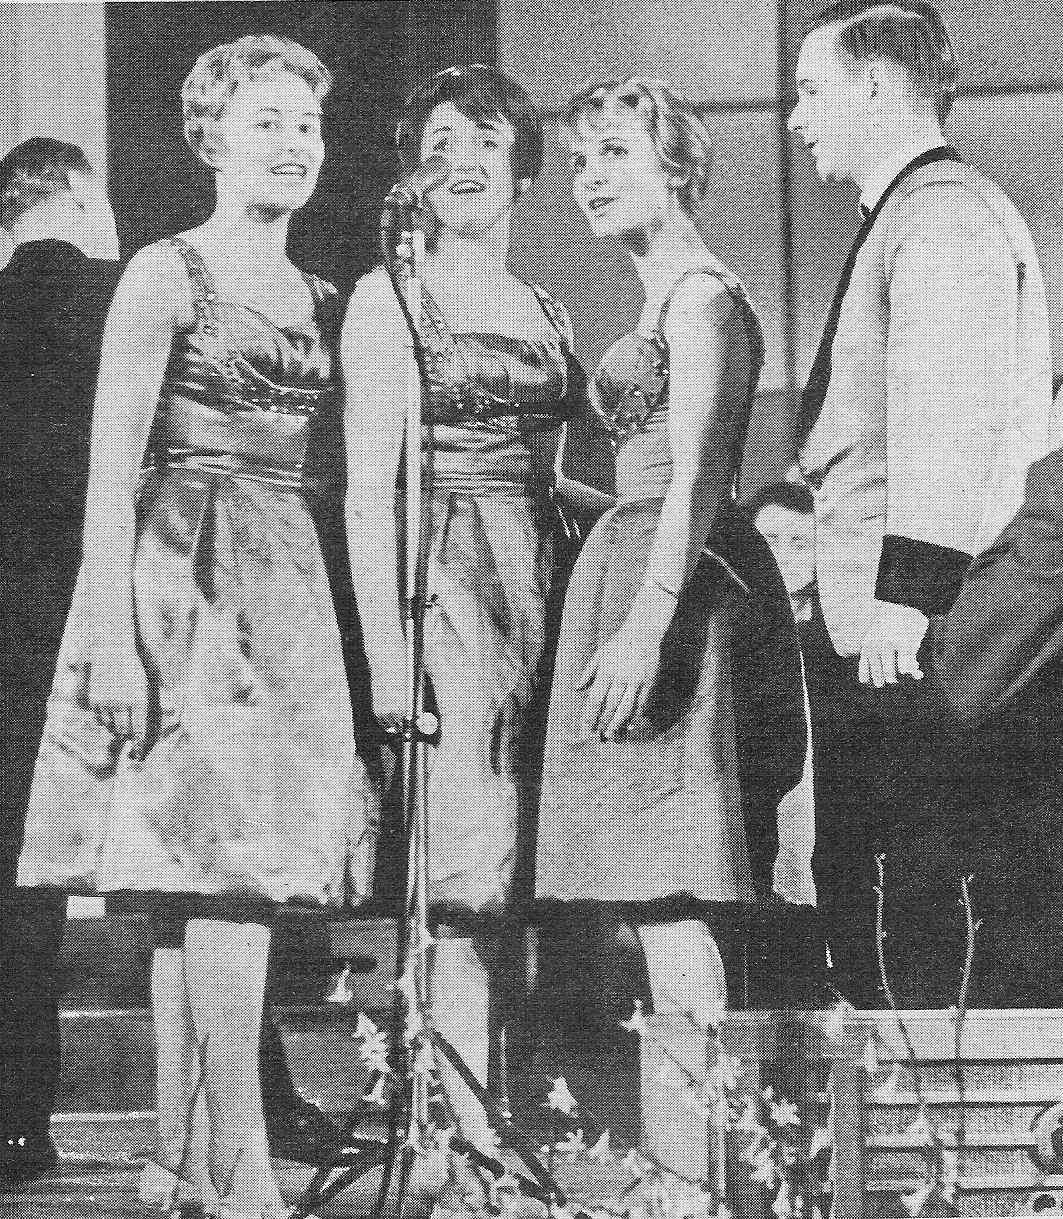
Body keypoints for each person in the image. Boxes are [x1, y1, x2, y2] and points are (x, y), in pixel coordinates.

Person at [15, 36, 376, 1218]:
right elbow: (107, 471)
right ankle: (241, 1168)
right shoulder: (162, 273)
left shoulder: (328, 298)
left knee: (204, 885)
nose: (295, 144)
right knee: (225, 880)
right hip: (183, 584)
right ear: (210, 138)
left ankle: (179, 1156)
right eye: (267, 121)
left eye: (308, 125)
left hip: (290, 589)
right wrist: (110, 640)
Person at [342, 65, 586, 1194]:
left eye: (487, 139)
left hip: (542, 589)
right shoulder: (386, 297)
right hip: (441, 588)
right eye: (441, 140)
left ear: (523, 167)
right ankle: (456, 1148)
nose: (466, 159)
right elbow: (366, 492)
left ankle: (493, 1127)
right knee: (462, 877)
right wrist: (391, 662)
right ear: (413, 169)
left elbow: (555, 477)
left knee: (528, 878)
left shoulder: (546, 307)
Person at [788, 0, 1059, 1007]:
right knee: (894, 892)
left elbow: (948, 423)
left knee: (920, 900)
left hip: (926, 630)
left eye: (809, 90)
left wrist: (904, 600)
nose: (794, 117)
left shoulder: (939, 212)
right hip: (909, 623)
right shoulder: (913, 211)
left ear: (871, 85)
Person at [533, 77, 769, 1186]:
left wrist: (645, 626)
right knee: (644, 892)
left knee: (667, 887)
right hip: (631, 567)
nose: (590, 177)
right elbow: (642, 480)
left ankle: (701, 1176)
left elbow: (699, 479)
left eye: (616, 152)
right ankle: (691, 1169)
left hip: (669, 594)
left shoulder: (701, 297)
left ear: (675, 165)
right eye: (581, 159)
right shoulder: (663, 294)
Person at [0, 137, 119, 1185]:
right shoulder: (124, 296)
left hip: (9, 626)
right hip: (116, 603)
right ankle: (236, 1115)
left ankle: (15, 1126)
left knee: (14, 875)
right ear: (83, 199)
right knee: (190, 858)